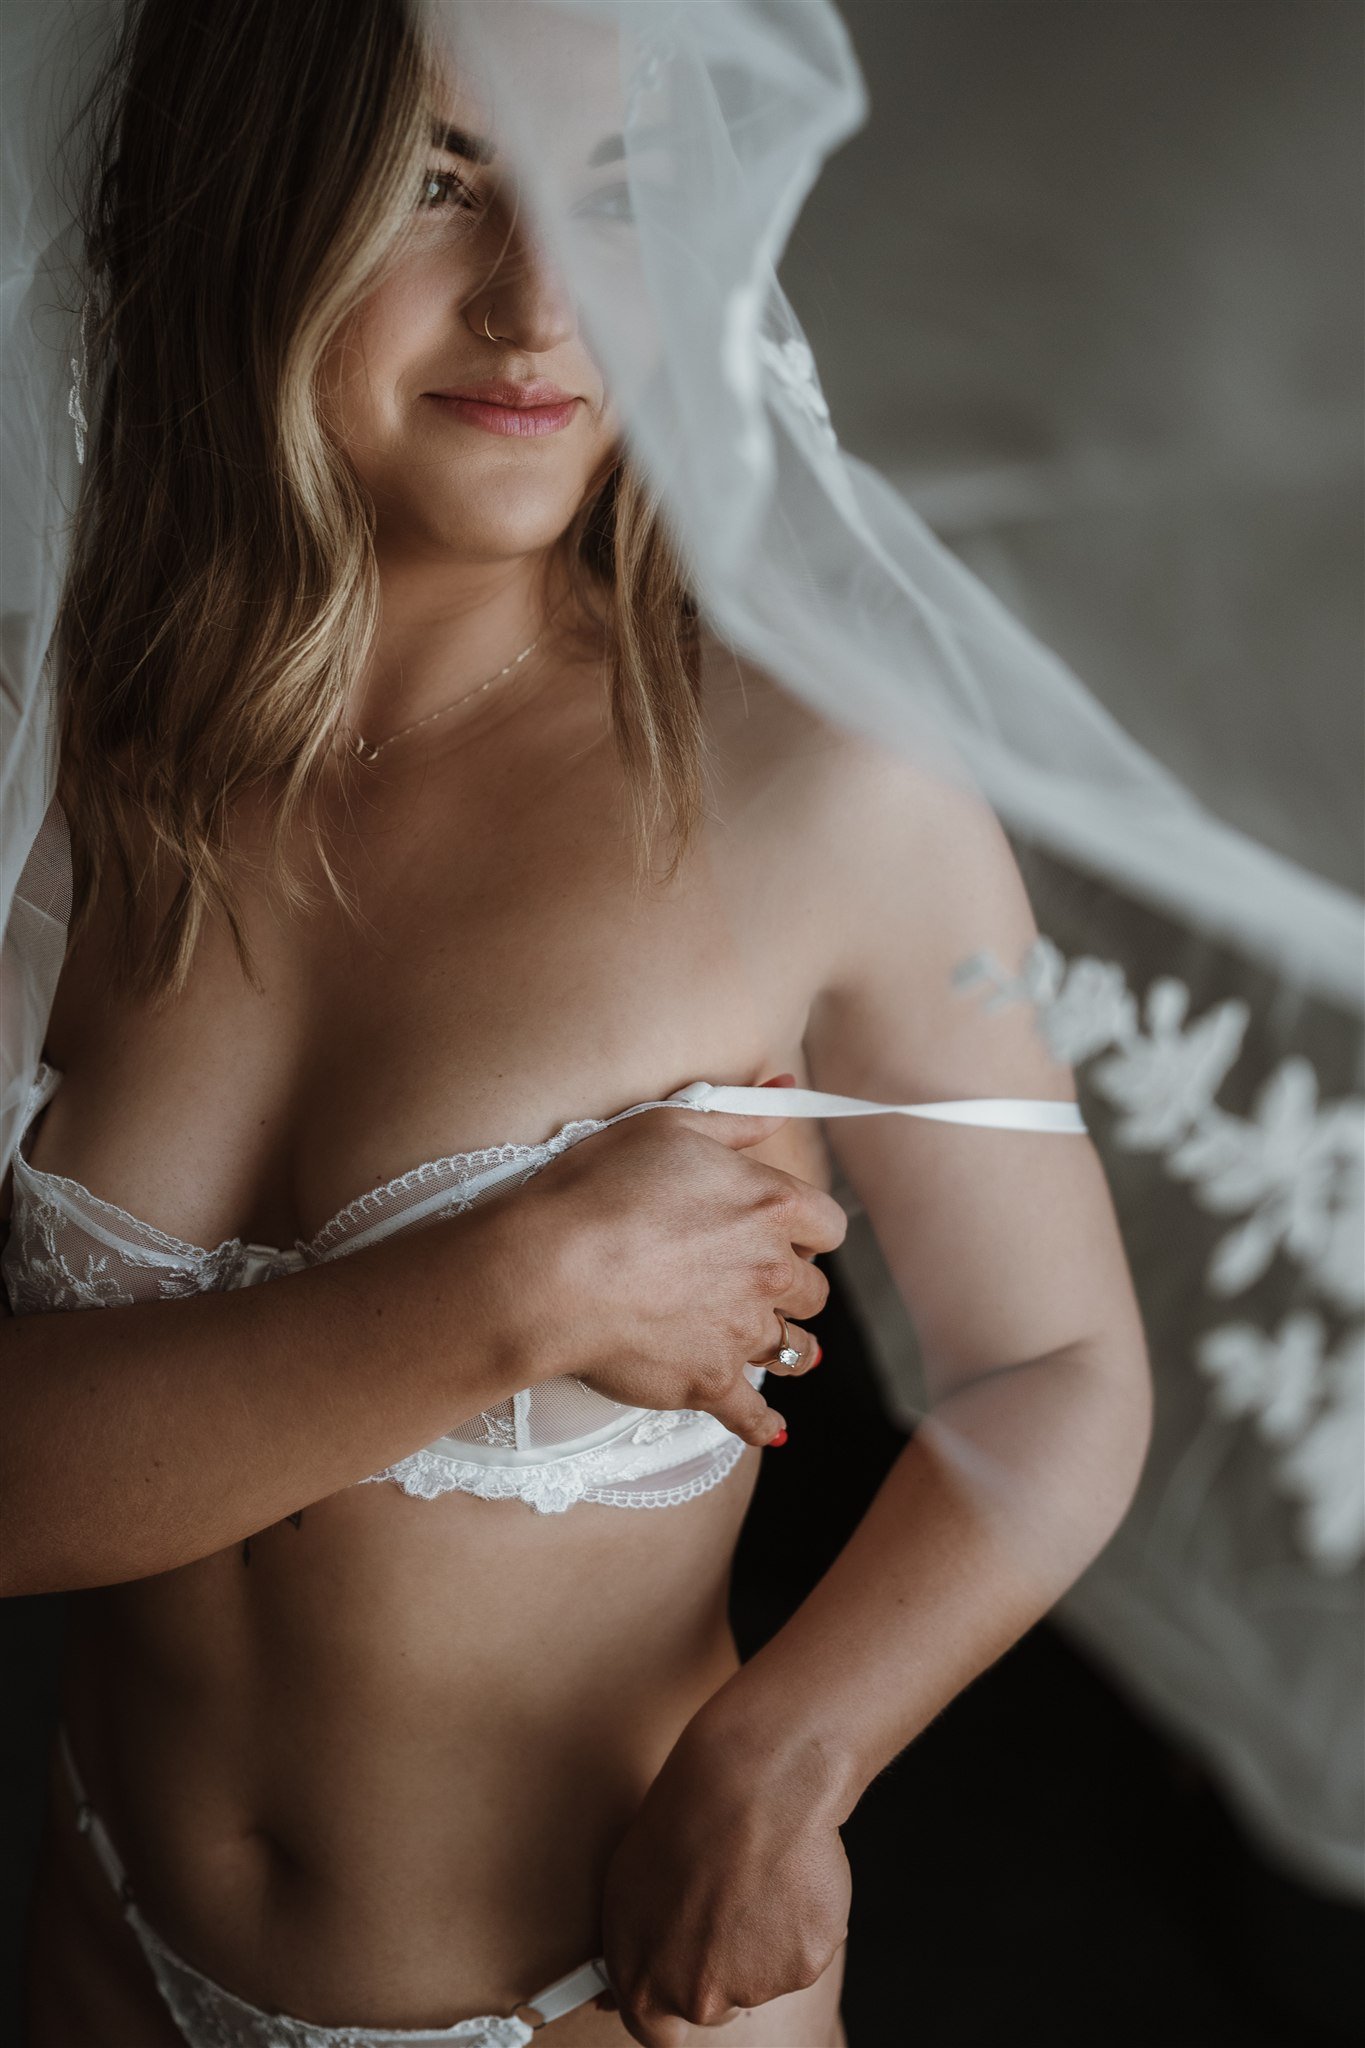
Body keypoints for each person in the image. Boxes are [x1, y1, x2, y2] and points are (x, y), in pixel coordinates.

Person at [1, 3, 1151, 2043]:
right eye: (439, 182)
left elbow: (1051, 1365)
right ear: (239, 189)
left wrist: (786, 1750)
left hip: (594, 2004)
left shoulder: (821, 789)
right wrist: (514, 1285)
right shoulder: (42, 755)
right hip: (101, 1950)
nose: (540, 305)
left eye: (618, 192)